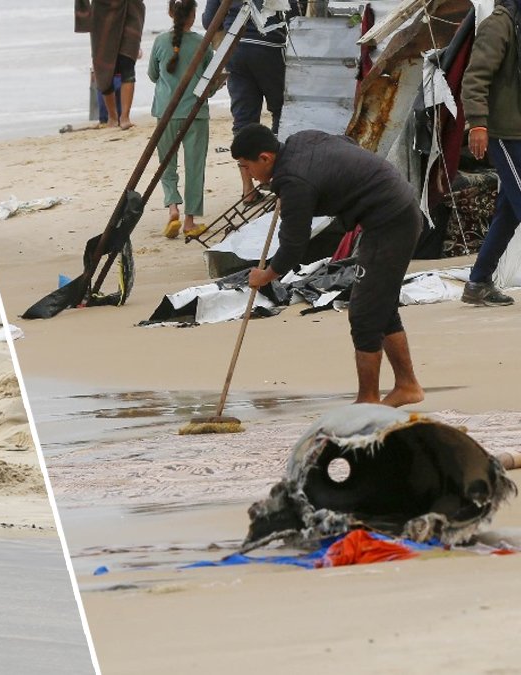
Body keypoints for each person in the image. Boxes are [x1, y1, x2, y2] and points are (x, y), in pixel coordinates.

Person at [232, 124, 424, 407]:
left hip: (391, 221)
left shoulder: (293, 181)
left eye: (246, 167)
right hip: (394, 209)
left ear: (265, 158)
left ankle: (368, 400)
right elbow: (344, 142)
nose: (248, 174)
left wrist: (267, 275)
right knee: (379, 305)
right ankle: (406, 386)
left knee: (363, 314)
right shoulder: (300, 140)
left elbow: (294, 245)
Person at [203, 0, 297, 202]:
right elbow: (295, 13)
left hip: (235, 48)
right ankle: (276, 176)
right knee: (280, 111)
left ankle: (248, 188)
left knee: (243, 120)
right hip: (269, 46)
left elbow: (209, 20)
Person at [459, 0, 521, 306]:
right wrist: (478, 124)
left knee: (509, 212)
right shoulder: (500, 22)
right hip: (507, 134)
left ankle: (478, 281)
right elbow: (475, 77)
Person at [149, 0, 213, 239]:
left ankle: (173, 208)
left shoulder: (159, 41)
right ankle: (189, 220)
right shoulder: (202, 43)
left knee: (167, 163)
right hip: (195, 113)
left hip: (166, 111)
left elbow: (153, 75)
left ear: (170, 13)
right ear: (194, 15)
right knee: (194, 167)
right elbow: (210, 80)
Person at [89, 0, 146, 129]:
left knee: (127, 63)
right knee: (103, 68)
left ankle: (125, 117)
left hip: (130, 9)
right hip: (103, 13)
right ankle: (112, 117)